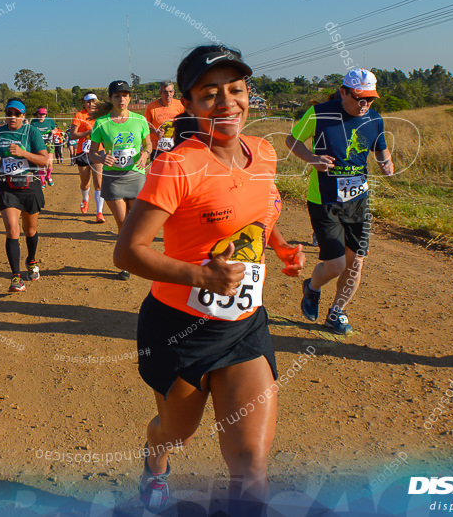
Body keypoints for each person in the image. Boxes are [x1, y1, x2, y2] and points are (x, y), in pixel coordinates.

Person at [114, 45, 305, 513]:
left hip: (244, 324)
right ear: (190, 104)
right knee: (176, 432)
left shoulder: (262, 153)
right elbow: (127, 252)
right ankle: (154, 462)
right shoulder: (177, 164)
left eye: (236, 90)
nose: (226, 103)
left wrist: (277, 245)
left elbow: (260, 209)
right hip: (180, 329)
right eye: (209, 94)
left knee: (252, 463)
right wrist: (200, 276)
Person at [285, 68, 394, 336]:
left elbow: (380, 148)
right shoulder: (321, 114)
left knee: (356, 262)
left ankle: (337, 312)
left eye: (370, 99)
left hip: (358, 200)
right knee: (336, 264)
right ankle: (312, 287)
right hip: (324, 199)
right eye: (359, 98)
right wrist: (312, 159)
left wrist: (386, 162)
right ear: (343, 91)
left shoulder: (374, 119)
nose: (364, 105)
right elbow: (292, 140)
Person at [89, 80, 152, 280]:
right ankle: (126, 263)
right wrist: (101, 157)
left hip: (135, 176)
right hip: (113, 178)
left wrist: (145, 154)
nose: (121, 99)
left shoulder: (140, 120)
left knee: (135, 224)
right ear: (110, 98)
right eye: (117, 95)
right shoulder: (101, 123)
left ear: (129, 98)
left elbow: (148, 145)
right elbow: (92, 153)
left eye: (125, 95)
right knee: (123, 223)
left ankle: (135, 256)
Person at [0, 99, 51, 292]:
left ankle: (31, 261)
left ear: (23, 115)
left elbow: (44, 160)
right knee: (12, 231)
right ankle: (15, 277)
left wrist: (24, 153)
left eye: (17, 114)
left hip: (30, 187)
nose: (12, 117)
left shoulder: (32, 132)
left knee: (30, 230)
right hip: (7, 188)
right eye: (9, 113)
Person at [70, 94, 106, 223]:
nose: (90, 104)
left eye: (93, 102)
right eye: (88, 102)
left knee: (99, 182)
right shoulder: (79, 116)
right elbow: (73, 135)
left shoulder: (101, 115)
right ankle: (85, 199)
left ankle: (99, 212)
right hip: (83, 152)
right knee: (85, 183)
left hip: (98, 151)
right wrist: (88, 133)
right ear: (84, 103)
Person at [143, 81, 181, 159]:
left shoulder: (179, 105)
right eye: (165, 92)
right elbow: (144, 126)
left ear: (173, 92)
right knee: (157, 171)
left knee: (173, 170)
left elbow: (184, 123)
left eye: (170, 92)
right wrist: (155, 131)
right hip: (157, 148)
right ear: (160, 93)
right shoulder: (151, 107)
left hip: (175, 147)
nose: (168, 94)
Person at [29, 107, 57, 186]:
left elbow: (56, 129)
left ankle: (48, 176)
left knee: (49, 163)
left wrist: (53, 131)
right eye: (40, 114)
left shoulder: (49, 120)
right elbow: (31, 132)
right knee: (41, 164)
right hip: (38, 144)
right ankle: (42, 181)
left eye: (44, 114)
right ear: (37, 114)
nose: (42, 116)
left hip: (48, 144)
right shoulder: (34, 122)